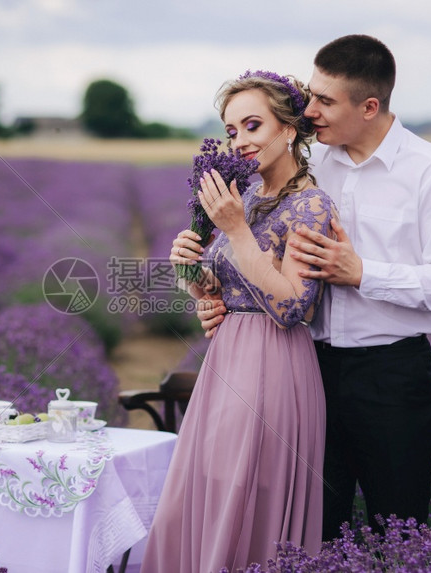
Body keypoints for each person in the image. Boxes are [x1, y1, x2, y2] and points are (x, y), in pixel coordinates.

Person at [196, 35, 431, 541]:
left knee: (398, 526)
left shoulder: (430, 172)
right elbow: (262, 262)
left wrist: (363, 272)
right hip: (306, 370)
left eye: (325, 101)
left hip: (389, 374)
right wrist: (217, 301)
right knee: (313, 530)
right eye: (311, 95)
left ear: (369, 106)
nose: (310, 110)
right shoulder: (309, 164)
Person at [141, 70, 336, 573]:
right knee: (204, 491)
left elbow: (294, 306)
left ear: (289, 128)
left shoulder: (310, 204)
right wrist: (190, 270)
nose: (240, 141)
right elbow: (225, 289)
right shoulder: (244, 198)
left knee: (249, 504)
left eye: (253, 125)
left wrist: (234, 230)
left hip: (274, 366)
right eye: (231, 131)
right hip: (225, 362)